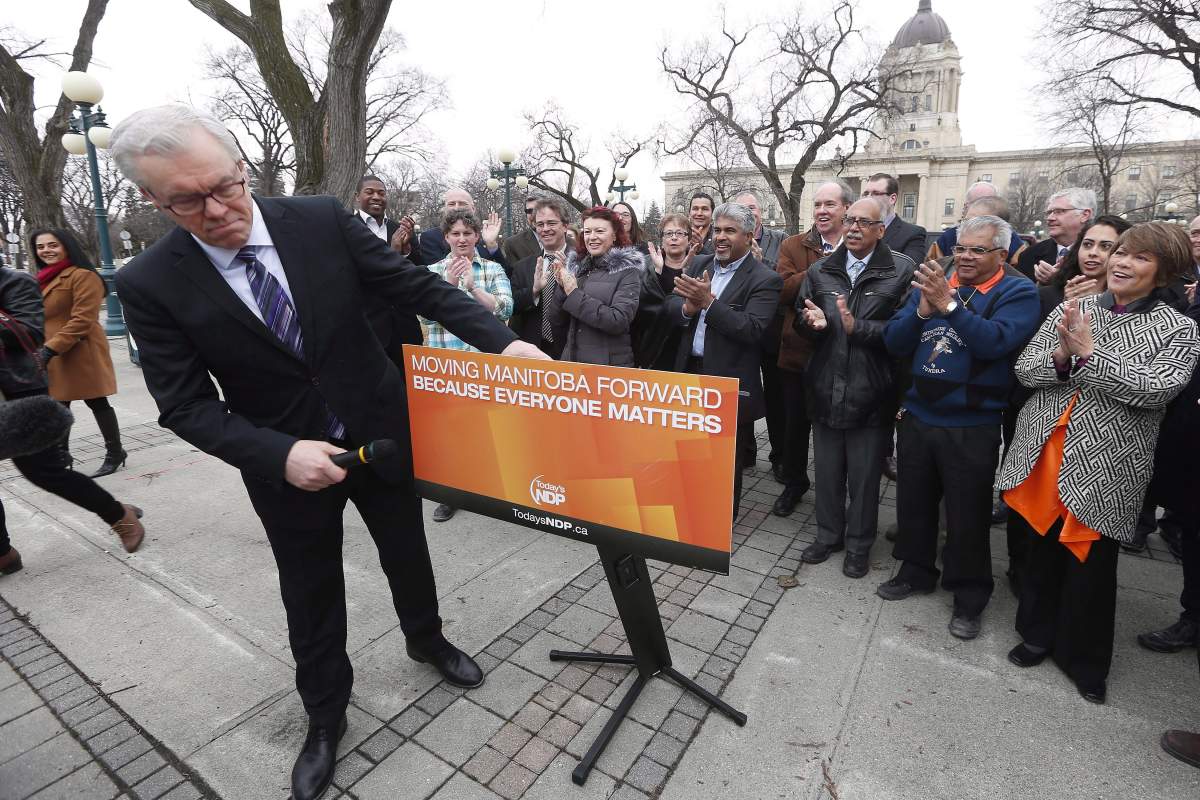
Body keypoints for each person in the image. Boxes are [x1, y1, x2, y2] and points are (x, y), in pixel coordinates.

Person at [109, 104, 547, 800]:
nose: (217, 209)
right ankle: (324, 713)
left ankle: (426, 639)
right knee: (310, 589)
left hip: (380, 427)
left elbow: (415, 286)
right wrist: (279, 455)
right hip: (282, 460)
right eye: (186, 201)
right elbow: (185, 404)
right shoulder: (148, 282)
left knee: (406, 547)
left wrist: (504, 342)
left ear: (242, 169)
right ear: (152, 200)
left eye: (225, 186)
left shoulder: (317, 219)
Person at [996, 222, 1200, 704]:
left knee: (1089, 563)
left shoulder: (1179, 328)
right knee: (1039, 550)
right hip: (1045, 450)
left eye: (1140, 258)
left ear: (1164, 270)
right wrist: (1063, 359)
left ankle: (1084, 659)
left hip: (1107, 464)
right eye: (1121, 253)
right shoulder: (1078, 307)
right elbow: (1027, 369)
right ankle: (1036, 635)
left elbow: (1157, 390)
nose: (1123, 263)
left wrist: (1090, 357)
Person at [877, 215, 1040, 641]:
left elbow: (995, 342)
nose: (964, 257)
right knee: (914, 504)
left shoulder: (1018, 291)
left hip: (972, 423)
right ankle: (915, 571)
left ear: (1001, 255)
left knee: (967, 516)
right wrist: (922, 311)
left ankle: (969, 596)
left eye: (977, 250)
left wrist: (949, 306)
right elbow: (894, 341)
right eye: (960, 248)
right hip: (918, 416)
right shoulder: (939, 278)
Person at [1002, 215, 1130, 591]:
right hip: (1038, 416)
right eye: (1088, 244)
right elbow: (1028, 362)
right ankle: (1020, 572)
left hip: (1096, 437)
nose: (1094, 253)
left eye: (1107, 247)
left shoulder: (1142, 309)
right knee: (1025, 509)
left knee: (1073, 529)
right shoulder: (1052, 293)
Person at [795, 197, 915, 578]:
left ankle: (860, 545)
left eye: (865, 222)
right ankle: (829, 535)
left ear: (882, 230)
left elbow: (906, 331)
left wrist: (856, 328)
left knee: (864, 479)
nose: (854, 228)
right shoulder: (821, 270)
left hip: (872, 390)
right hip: (826, 384)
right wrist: (809, 322)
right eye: (850, 221)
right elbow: (802, 315)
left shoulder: (900, 271)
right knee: (828, 473)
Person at [0, 264, 145, 576]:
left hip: (19, 395)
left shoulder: (15, 281)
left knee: (44, 473)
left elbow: (29, 333)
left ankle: (118, 514)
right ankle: (3, 553)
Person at [657, 202, 782, 520]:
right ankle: (686, 509)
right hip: (688, 371)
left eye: (730, 230)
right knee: (685, 449)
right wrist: (687, 308)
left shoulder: (765, 278)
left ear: (750, 234)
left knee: (724, 460)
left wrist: (708, 304)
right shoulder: (699, 263)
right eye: (717, 230)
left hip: (727, 381)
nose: (720, 237)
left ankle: (719, 521)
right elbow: (670, 305)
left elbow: (752, 329)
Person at [420, 210, 512, 524]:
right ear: (446, 237)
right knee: (449, 435)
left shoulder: (492, 268)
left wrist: (473, 288)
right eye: (455, 234)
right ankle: (450, 494)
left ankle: (491, 491)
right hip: (445, 367)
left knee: (487, 430)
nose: (462, 239)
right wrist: (448, 285)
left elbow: (505, 309)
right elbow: (424, 317)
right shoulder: (431, 271)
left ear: (476, 236)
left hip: (484, 366)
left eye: (468, 234)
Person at [773, 180, 851, 514]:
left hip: (843, 355)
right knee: (794, 427)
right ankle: (794, 483)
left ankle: (836, 492)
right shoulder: (793, 245)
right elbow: (784, 290)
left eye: (829, 204)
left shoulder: (861, 245)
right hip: (798, 352)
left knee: (834, 429)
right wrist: (824, 267)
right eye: (818, 204)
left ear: (846, 208)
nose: (821, 211)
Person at [30, 228, 126, 477]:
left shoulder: (83, 276)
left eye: (53, 245)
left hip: (81, 350)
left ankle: (115, 452)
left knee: (96, 401)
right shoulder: (44, 277)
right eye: (41, 247)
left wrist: (51, 349)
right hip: (53, 351)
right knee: (59, 404)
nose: (46, 251)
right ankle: (61, 455)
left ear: (66, 246)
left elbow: (83, 320)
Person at [549, 206, 643, 367]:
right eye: (587, 232)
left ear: (614, 235)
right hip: (571, 363)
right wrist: (561, 288)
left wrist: (573, 293)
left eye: (599, 231)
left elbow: (618, 321)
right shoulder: (577, 268)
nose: (592, 237)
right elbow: (556, 320)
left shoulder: (628, 271)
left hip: (608, 369)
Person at [734, 190, 787, 473]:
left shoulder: (781, 241)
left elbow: (784, 282)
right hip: (739, 332)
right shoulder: (728, 240)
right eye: (741, 208)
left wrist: (761, 262)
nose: (747, 212)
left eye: (751, 207)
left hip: (771, 333)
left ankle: (779, 457)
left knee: (776, 399)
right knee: (743, 395)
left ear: (761, 212)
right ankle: (747, 453)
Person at [352, 175, 423, 368]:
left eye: (381, 193)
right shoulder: (348, 228)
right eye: (370, 192)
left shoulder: (398, 229)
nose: (376, 197)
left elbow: (417, 270)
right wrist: (393, 253)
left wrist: (407, 249)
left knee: (408, 391)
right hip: (366, 329)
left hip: (404, 327)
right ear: (357, 196)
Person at [509, 196, 573, 359]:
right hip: (533, 351)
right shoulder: (523, 266)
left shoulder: (581, 261)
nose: (545, 229)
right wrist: (534, 291)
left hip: (572, 349)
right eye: (540, 224)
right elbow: (512, 306)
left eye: (551, 223)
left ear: (565, 226)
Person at [404, 188, 508, 274]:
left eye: (462, 203)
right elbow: (436, 273)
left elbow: (505, 273)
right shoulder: (430, 237)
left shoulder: (484, 236)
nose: (457, 208)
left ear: (473, 209)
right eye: (451, 204)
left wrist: (491, 245)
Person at [928, 182, 1027, 266]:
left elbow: (1021, 273)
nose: (966, 256)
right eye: (960, 249)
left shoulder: (1014, 244)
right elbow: (930, 271)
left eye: (979, 250)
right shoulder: (946, 239)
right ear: (966, 207)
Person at [1017, 187, 1096, 285]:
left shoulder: (1100, 255)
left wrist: (1057, 281)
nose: (1050, 218)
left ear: (1085, 215)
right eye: (1049, 212)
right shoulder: (1029, 255)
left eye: (1059, 211)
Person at [862, 173, 927, 264]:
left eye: (875, 193)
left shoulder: (913, 234)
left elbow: (908, 271)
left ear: (892, 199)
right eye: (865, 194)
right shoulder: (855, 228)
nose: (868, 199)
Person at [500, 195, 542, 265]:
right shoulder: (513, 244)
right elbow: (511, 273)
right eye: (529, 211)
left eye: (537, 210)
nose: (533, 214)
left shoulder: (563, 240)